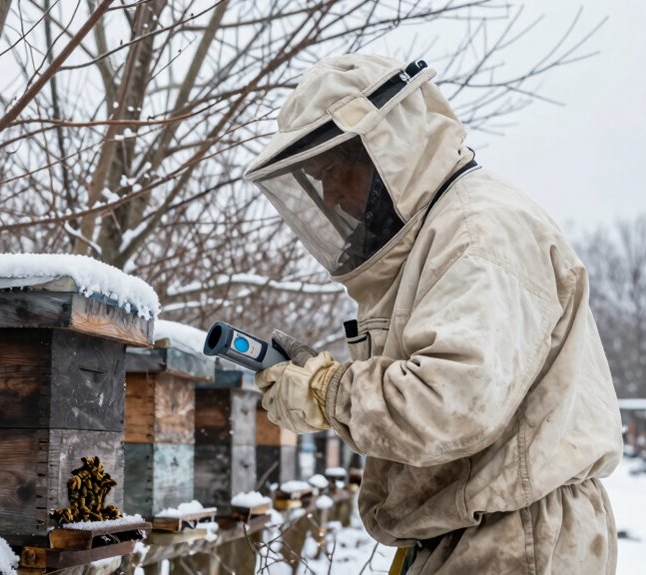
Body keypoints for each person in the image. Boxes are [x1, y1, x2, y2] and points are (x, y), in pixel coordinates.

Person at [244, 54, 623, 574]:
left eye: (333, 172)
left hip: (517, 536)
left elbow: (452, 402)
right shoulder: (440, 236)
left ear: (383, 150)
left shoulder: (478, 233)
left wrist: (329, 392)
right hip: (478, 529)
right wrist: (326, 384)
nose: (328, 196)